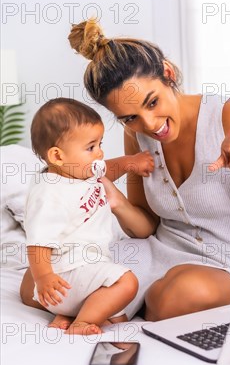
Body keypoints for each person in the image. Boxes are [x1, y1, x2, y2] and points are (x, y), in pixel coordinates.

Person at [21, 19, 230, 322]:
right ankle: (107, 306)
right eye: (130, 117)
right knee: (32, 284)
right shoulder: (136, 134)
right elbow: (144, 227)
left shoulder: (228, 116)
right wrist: (118, 203)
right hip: (158, 251)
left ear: (167, 73)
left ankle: (110, 305)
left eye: (152, 102)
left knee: (175, 295)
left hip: (229, 263)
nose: (151, 124)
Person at [22, 98, 154, 334]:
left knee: (118, 318)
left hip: (83, 272)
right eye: (91, 147)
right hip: (68, 272)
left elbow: (108, 169)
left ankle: (68, 314)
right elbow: (38, 242)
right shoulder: (50, 192)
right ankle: (81, 323)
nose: (100, 153)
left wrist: (130, 163)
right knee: (126, 283)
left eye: (100, 143)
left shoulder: (78, 170)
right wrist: (43, 278)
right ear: (57, 156)